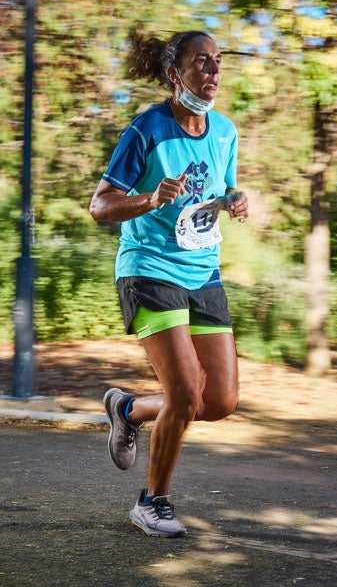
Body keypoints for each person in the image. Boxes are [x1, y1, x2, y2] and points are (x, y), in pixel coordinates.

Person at [89, 28, 249, 538]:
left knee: (218, 400)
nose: (214, 71)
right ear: (173, 72)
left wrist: (236, 199)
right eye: (201, 62)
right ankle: (151, 502)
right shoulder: (147, 130)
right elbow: (100, 205)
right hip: (149, 269)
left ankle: (128, 410)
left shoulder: (225, 131)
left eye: (218, 61)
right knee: (184, 391)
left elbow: (218, 190)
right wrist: (150, 199)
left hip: (203, 271)